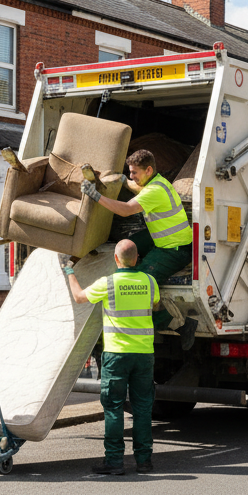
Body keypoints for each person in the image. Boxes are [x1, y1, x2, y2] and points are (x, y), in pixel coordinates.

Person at [80, 149, 199, 348]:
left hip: (174, 250)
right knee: (128, 246)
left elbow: (126, 210)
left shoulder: (155, 191)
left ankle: (180, 325)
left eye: (135, 173)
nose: (133, 176)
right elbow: (137, 187)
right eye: (131, 172)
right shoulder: (156, 181)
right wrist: (123, 180)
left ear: (149, 170)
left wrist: (96, 196)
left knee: (139, 289)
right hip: (162, 237)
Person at [64, 239, 156, 475]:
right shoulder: (150, 281)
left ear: (116, 259)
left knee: (114, 407)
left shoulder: (108, 283)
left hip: (117, 355)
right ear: (137, 259)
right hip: (144, 354)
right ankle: (144, 461)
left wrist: (69, 271)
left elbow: (79, 297)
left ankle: (114, 461)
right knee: (143, 409)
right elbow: (155, 304)